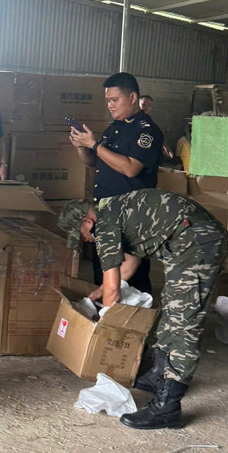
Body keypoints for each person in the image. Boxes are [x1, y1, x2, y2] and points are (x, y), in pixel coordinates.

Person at [57, 190, 228, 430]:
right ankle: (159, 375)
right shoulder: (113, 212)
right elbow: (130, 264)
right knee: (170, 307)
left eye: (82, 234)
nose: (85, 240)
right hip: (188, 242)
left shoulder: (105, 226)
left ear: (88, 222)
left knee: (183, 323)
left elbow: (114, 292)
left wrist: (107, 327)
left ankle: (168, 407)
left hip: (197, 243)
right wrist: (101, 291)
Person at [69, 72, 163, 294]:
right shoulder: (114, 128)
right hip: (106, 214)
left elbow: (131, 168)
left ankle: (136, 315)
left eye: (114, 100)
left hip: (131, 217)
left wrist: (94, 145)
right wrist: (82, 146)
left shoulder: (147, 131)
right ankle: (103, 313)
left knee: (131, 281)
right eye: (108, 101)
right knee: (103, 274)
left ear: (132, 97)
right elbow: (94, 161)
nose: (110, 105)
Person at [139, 94, 174, 159]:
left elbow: (155, 133)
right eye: (143, 104)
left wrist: (165, 146)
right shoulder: (132, 117)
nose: (146, 107)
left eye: (149, 105)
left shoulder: (147, 119)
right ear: (137, 105)